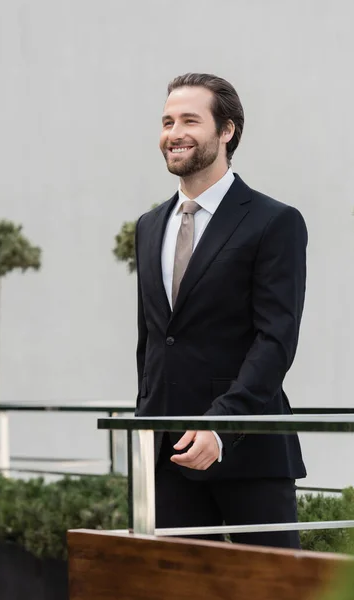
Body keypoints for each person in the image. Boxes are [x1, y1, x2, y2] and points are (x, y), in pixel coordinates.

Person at [134, 73, 307, 549]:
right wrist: (146, 425)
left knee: (271, 590)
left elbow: (275, 339)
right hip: (166, 454)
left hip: (248, 450)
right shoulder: (149, 226)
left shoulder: (275, 221)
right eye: (167, 121)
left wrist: (221, 425)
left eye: (190, 119)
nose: (174, 133)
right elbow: (151, 341)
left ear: (226, 130)